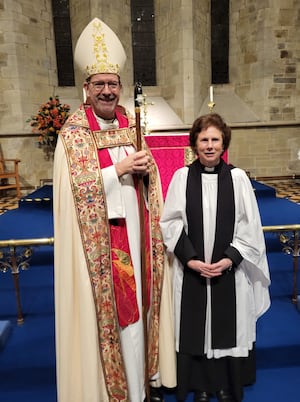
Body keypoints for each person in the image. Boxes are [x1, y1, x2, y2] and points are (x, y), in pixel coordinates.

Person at [53, 18, 175, 402]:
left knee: (139, 308)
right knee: (117, 317)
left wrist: (146, 171)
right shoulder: (74, 133)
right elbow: (74, 190)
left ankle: (140, 384)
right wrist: (119, 170)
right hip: (101, 248)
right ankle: (110, 391)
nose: (107, 91)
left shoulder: (129, 123)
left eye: (112, 84)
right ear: (86, 89)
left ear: (120, 87)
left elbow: (149, 174)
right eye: (99, 84)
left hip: (137, 237)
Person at [159, 113, 271, 402]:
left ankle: (223, 385)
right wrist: (191, 259)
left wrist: (230, 259)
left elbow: (250, 226)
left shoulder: (238, 179)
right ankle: (199, 387)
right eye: (204, 139)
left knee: (226, 329)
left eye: (215, 140)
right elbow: (169, 223)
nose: (209, 145)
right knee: (196, 329)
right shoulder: (182, 177)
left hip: (229, 272)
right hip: (192, 269)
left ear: (224, 144)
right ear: (195, 143)